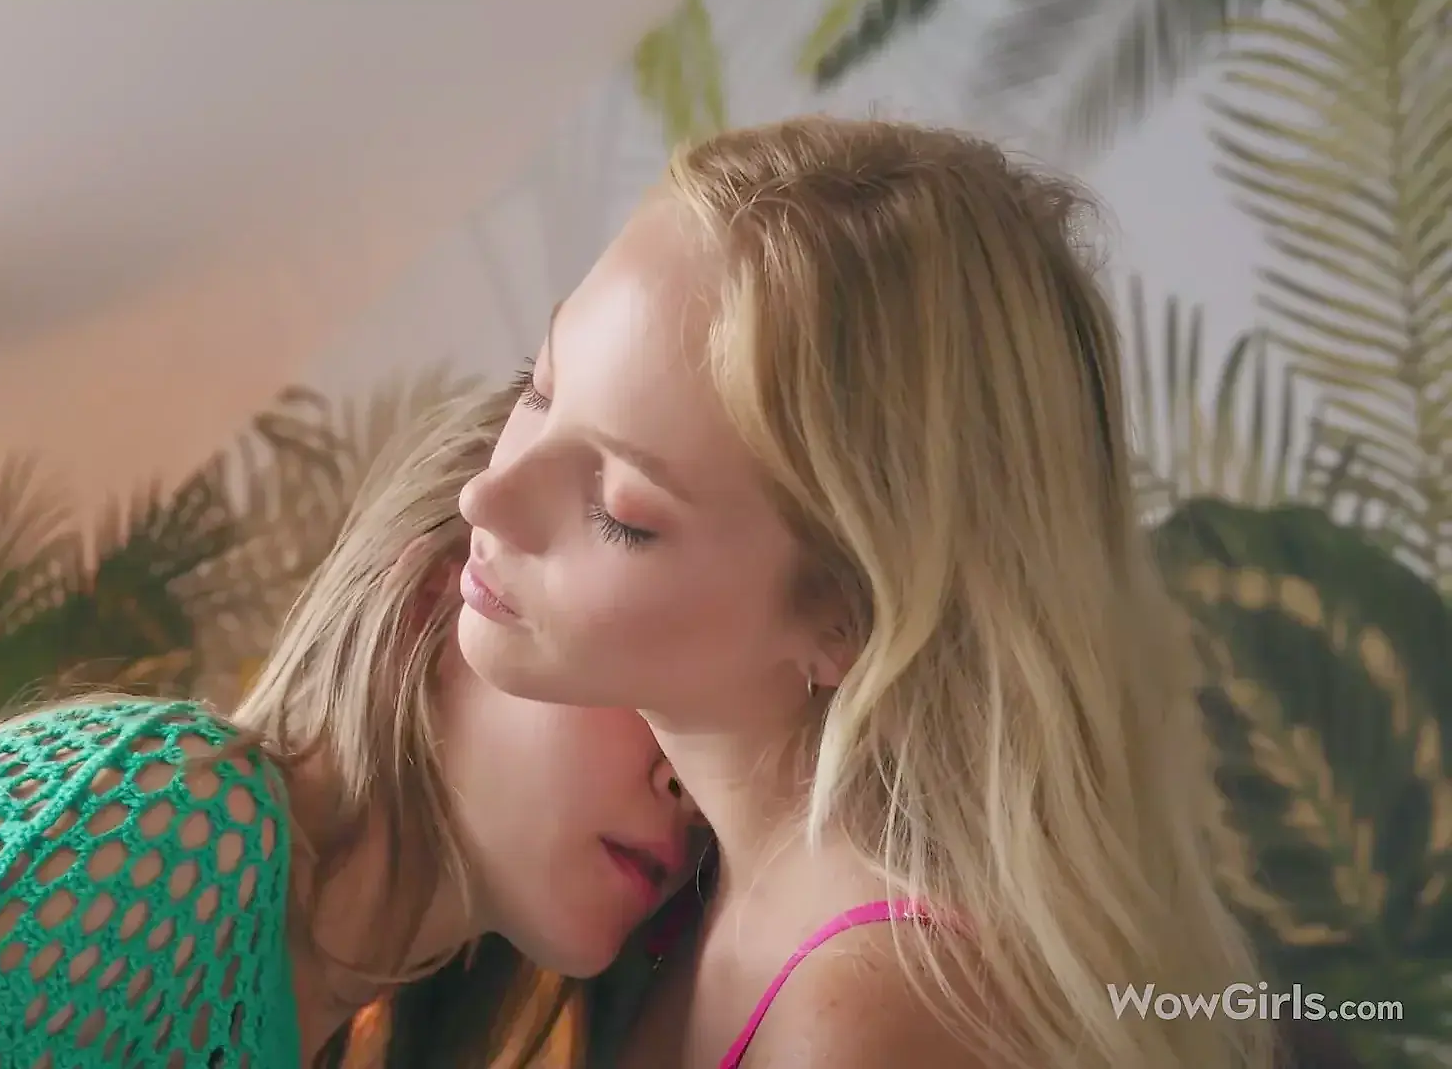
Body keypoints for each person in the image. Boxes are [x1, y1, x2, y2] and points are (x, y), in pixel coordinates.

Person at [455, 115, 1279, 1069]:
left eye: (622, 511)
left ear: (846, 617)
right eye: (540, 387)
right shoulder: (685, 877)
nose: (487, 496)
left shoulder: (867, 1024)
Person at [0, 384, 700, 1069]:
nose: (691, 782)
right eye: (661, 682)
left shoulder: (322, 997)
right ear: (444, 598)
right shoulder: (171, 813)